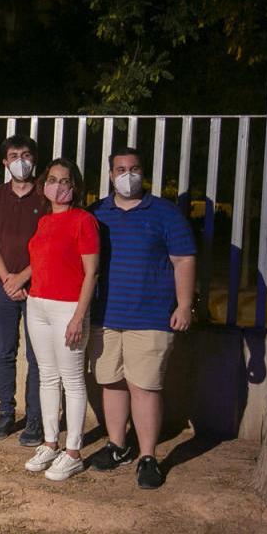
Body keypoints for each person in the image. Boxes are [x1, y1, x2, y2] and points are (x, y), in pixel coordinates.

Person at [88, 148, 196, 489]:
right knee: (111, 382)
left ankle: (147, 456)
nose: (127, 174)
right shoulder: (97, 213)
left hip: (149, 316)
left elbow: (184, 261)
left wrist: (183, 305)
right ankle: (117, 445)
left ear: (143, 172)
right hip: (106, 315)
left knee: (145, 387)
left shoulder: (165, 213)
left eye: (134, 168)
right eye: (120, 169)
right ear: (109, 174)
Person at [21, 158, 99, 481]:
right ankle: (51, 443)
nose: (58, 186)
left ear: (75, 186)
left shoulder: (84, 221)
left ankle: (73, 451)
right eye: (52, 179)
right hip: (37, 305)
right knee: (47, 377)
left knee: (73, 380)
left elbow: (91, 272)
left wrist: (79, 316)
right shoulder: (43, 221)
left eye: (65, 181)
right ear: (44, 184)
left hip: (68, 308)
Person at [0, 136, 45, 445]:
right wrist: (8, 278)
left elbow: (48, 246)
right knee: (4, 351)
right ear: (5, 162)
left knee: (37, 356)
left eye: (26, 155)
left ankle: (35, 419)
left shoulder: (46, 196)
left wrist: (23, 278)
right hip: (1, 286)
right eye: (14, 155)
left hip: (38, 287)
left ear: (34, 159)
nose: (20, 160)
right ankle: (6, 412)